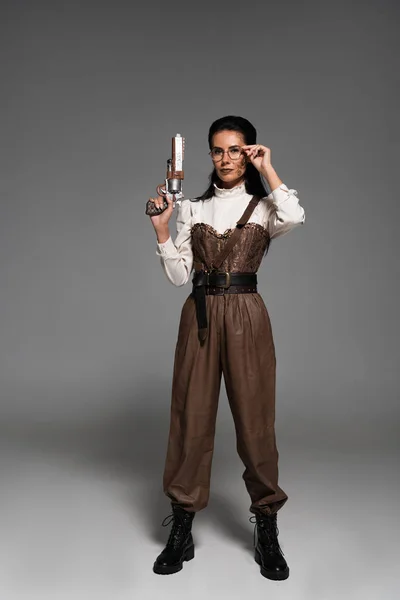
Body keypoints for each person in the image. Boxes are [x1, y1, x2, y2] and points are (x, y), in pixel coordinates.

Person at [147, 115, 305, 580]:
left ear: (250, 152)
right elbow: (179, 276)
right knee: (190, 418)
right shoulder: (192, 209)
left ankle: (267, 527)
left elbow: (294, 215)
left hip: (246, 314)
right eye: (218, 150)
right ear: (209, 155)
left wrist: (269, 168)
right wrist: (162, 228)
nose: (226, 158)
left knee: (255, 420)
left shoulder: (263, 207)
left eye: (237, 149)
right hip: (199, 314)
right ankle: (182, 527)